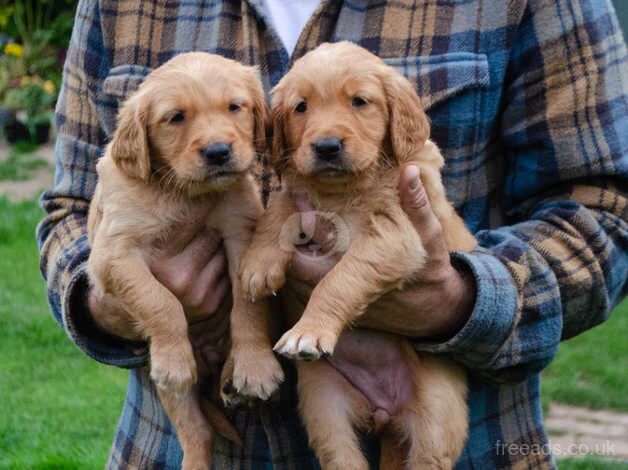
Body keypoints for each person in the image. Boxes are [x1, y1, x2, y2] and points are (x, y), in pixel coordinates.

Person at [37, 0, 628, 468]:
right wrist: (112, 302)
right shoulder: (116, 5)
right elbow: (68, 210)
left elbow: (606, 211)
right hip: (178, 450)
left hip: (467, 434)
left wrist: (464, 300)